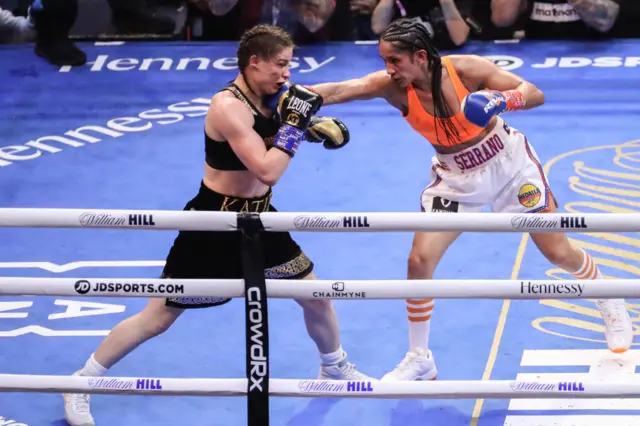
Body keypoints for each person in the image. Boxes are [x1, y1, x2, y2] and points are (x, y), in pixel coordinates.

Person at [270, 17, 633, 382]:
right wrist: (288, 96)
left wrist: (501, 100)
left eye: (395, 60)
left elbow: (535, 93)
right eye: (385, 61)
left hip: (510, 167)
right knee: (419, 260)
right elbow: (338, 89)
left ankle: (608, 297)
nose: (388, 70)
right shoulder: (393, 87)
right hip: (456, 179)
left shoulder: (468, 71)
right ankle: (419, 357)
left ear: (421, 56)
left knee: (558, 252)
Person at [62, 24, 368, 426]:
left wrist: (312, 124)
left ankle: (333, 366)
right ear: (253, 62)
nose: (286, 74)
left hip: (258, 217)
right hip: (213, 221)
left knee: (315, 296)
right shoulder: (228, 107)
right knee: (158, 317)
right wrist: (293, 130)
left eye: (289, 66)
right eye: (279, 65)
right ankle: (82, 382)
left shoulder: (276, 98)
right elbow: (268, 168)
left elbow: (334, 94)